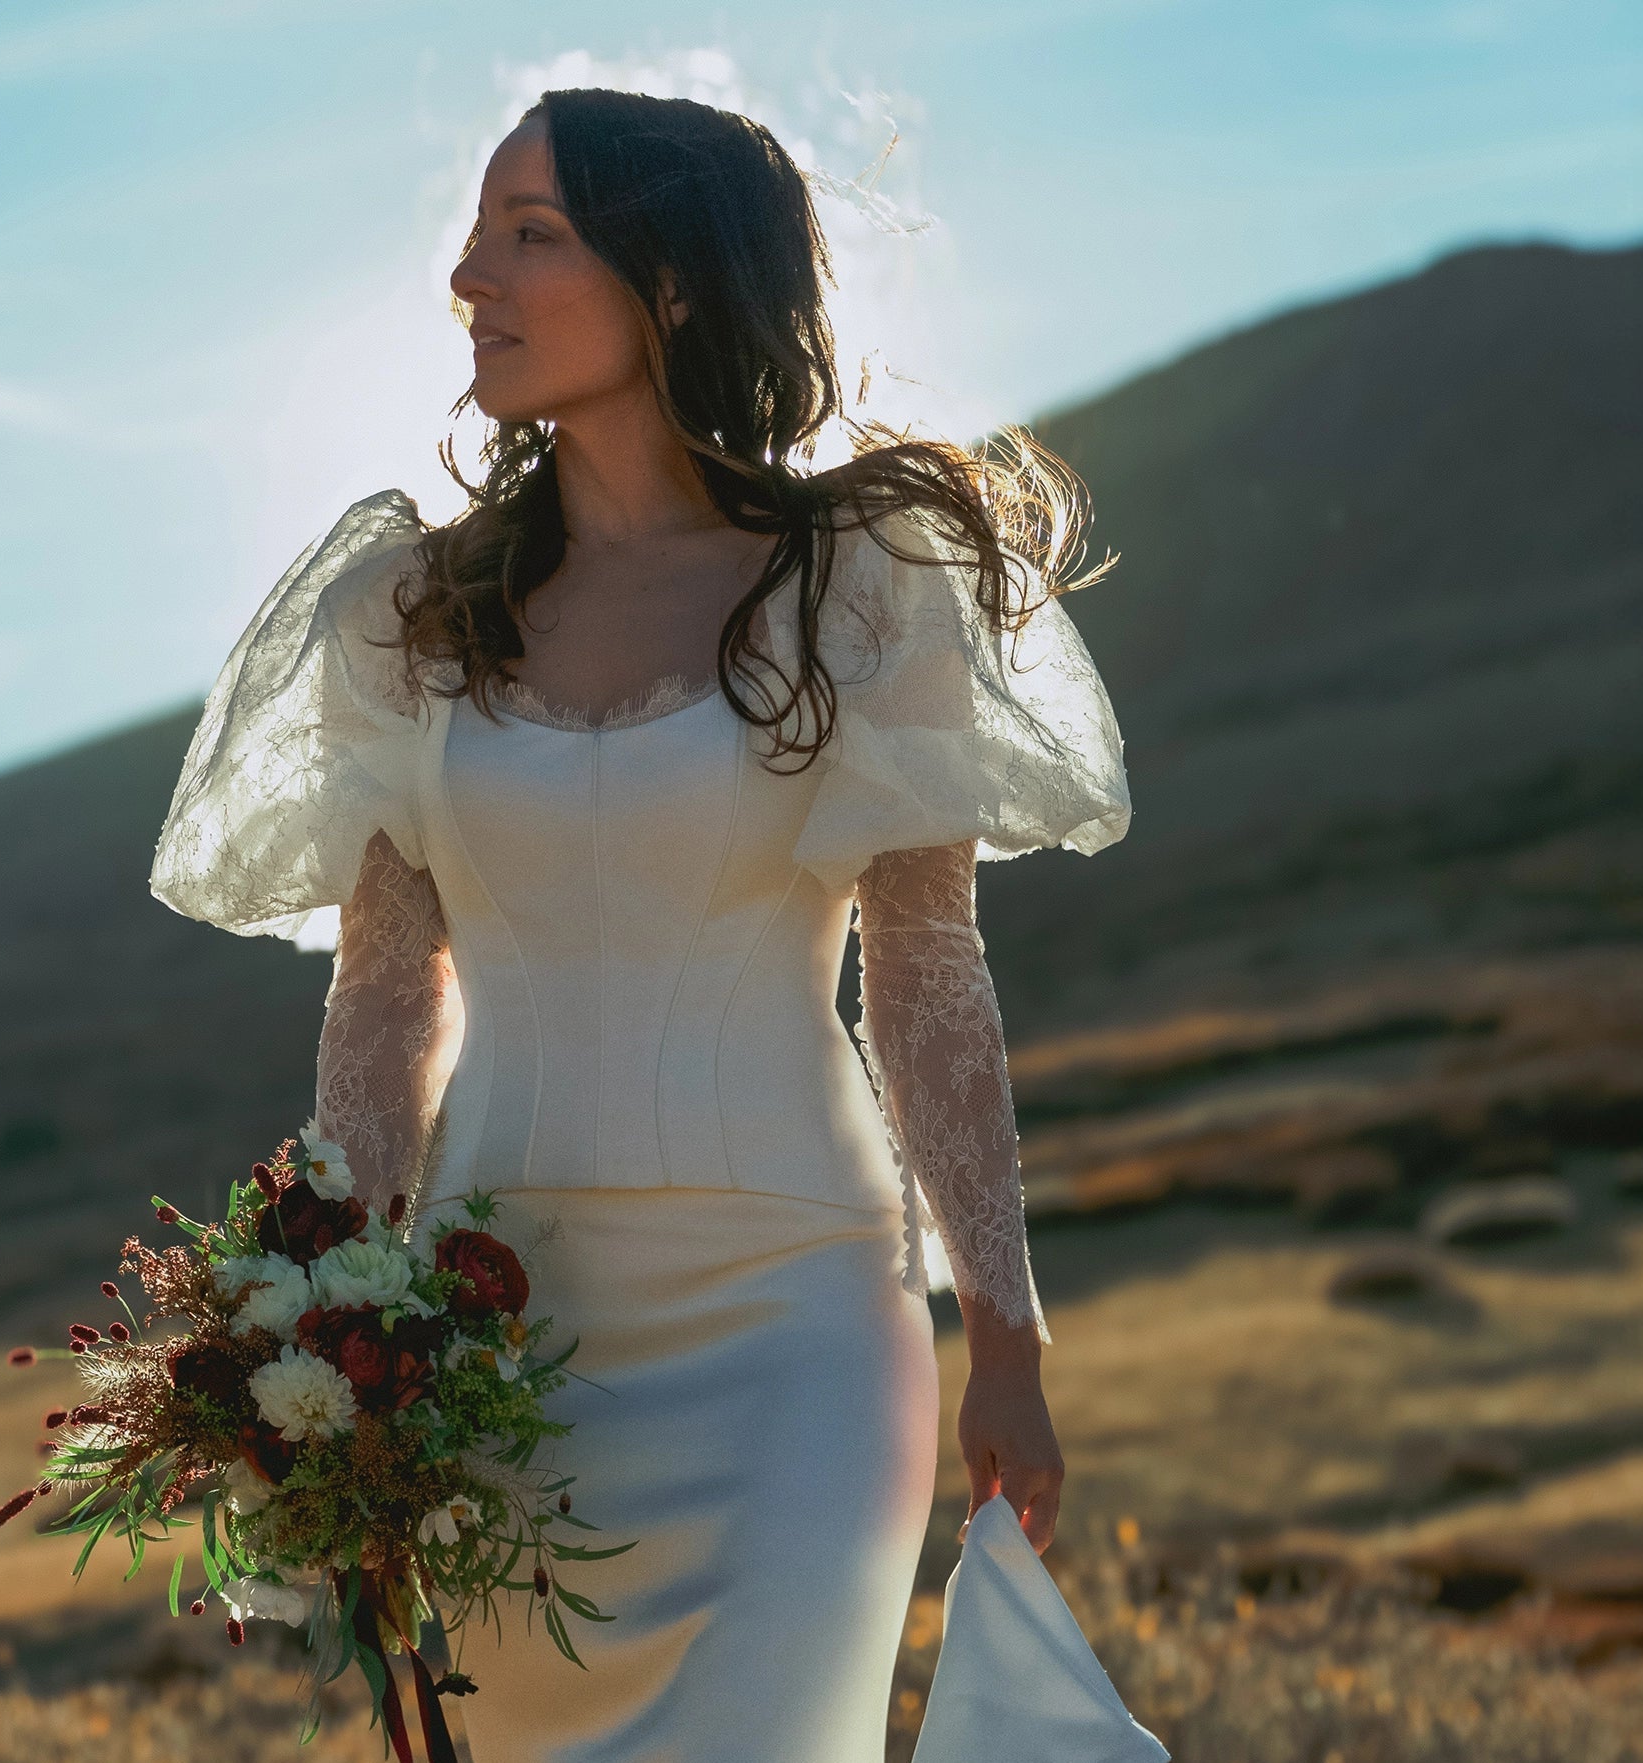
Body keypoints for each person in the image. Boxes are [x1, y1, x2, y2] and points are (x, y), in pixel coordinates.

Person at [149, 88, 1131, 1761]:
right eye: (474, 236)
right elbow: (388, 1008)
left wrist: (1009, 1336)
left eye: (533, 234)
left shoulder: (862, 579)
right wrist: (332, 1331)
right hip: (492, 1347)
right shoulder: (416, 611)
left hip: (795, 1322)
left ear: (671, 281)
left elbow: (927, 977)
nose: (473, 275)